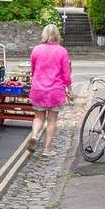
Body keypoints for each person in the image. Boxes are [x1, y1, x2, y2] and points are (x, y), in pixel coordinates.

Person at [24, 24, 73, 157]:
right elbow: (66, 74)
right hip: (55, 91)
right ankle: (47, 149)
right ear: (57, 35)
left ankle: (34, 135)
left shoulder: (36, 50)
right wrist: (70, 90)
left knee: (38, 117)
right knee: (52, 120)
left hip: (38, 89)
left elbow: (33, 71)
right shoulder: (62, 51)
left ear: (44, 34)